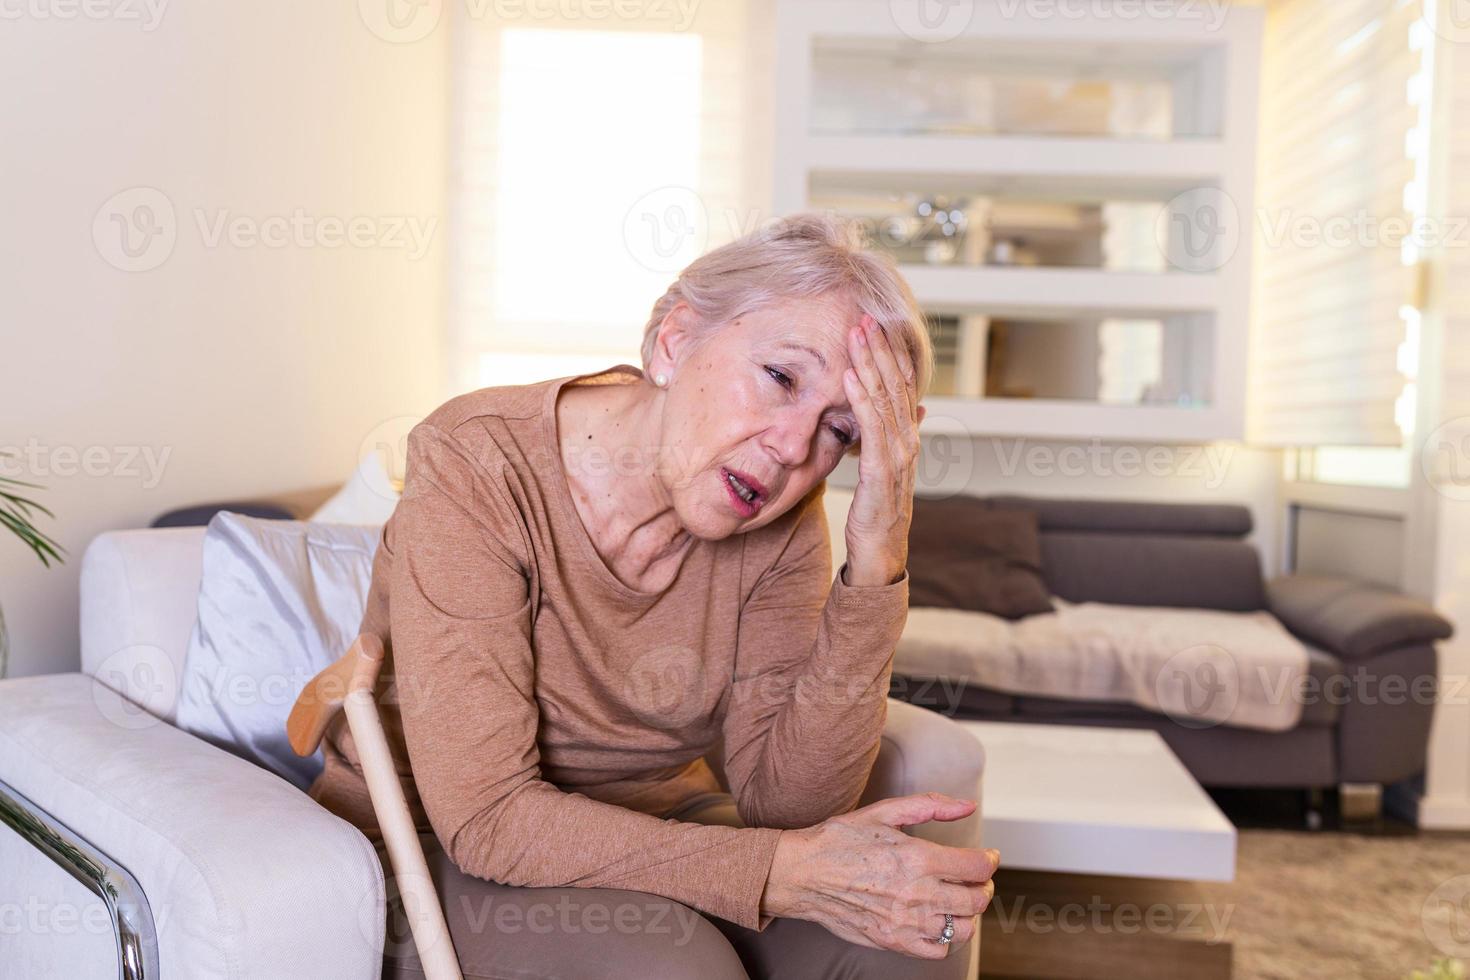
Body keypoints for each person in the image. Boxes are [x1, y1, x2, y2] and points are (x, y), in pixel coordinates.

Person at [308, 212, 999, 979]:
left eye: (841, 431)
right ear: (675, 342)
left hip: (659, 823)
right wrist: (776, 872)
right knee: (676, 968)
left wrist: (878, 559)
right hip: (433, 839)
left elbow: (788, 809)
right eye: (779, 378)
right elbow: (489, 819)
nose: (795, 449)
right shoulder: (479, 463)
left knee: (909, 943)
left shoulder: (783, 523)